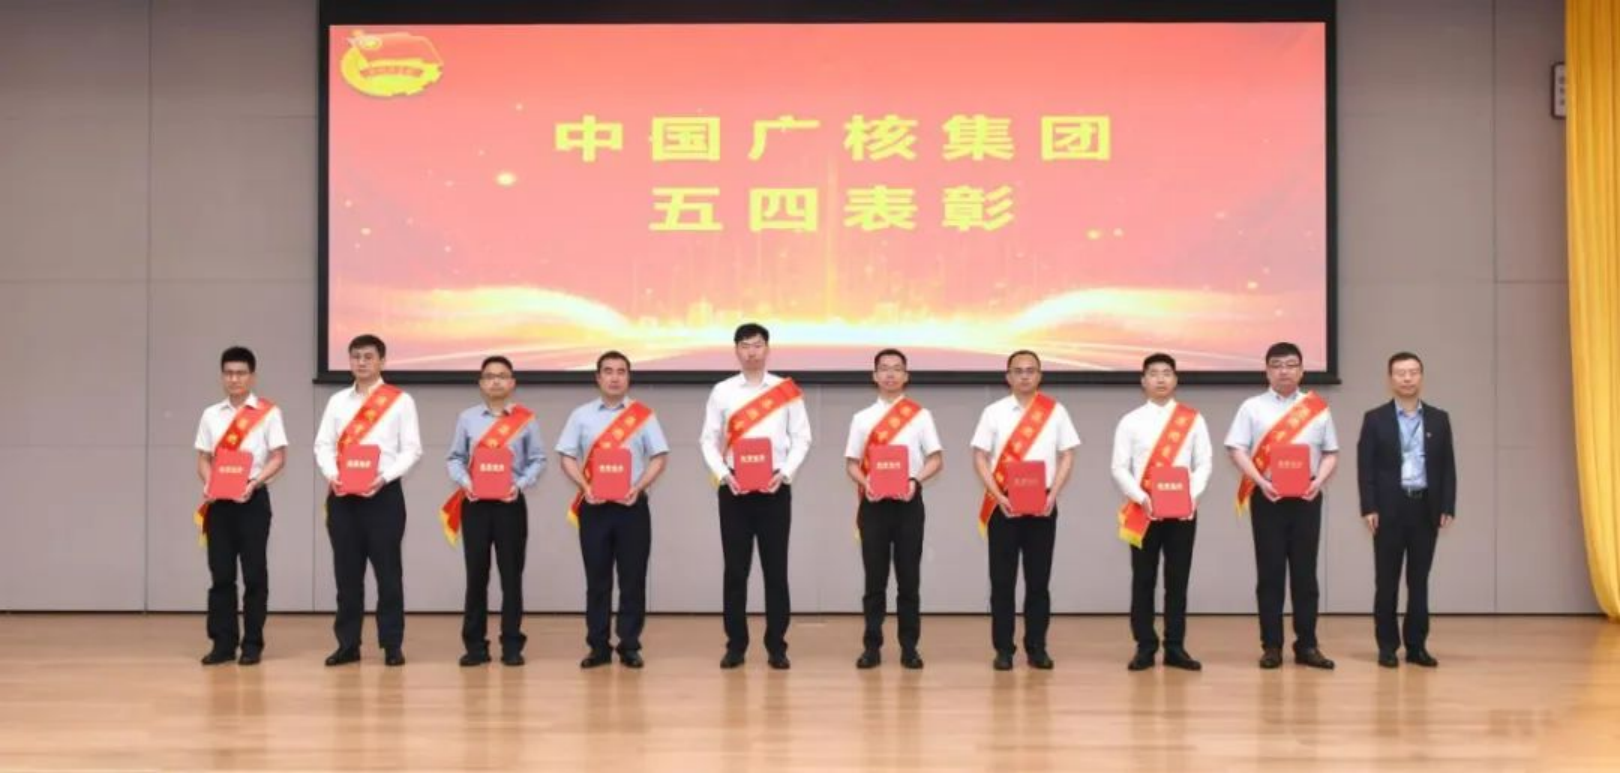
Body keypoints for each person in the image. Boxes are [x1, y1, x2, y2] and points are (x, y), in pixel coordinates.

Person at [699, 323, 811, 670]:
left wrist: (785, 473)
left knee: (776, 570)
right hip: (734, 490)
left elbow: (802, 438)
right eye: (745, 345)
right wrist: (724, 475)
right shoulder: (722, 391)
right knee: (735, 571)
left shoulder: (785, 391)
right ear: (736, 350)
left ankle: (777, 646)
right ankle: (736, 645)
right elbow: (708, 440)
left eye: (758, 345)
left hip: (775, 489)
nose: (752, 351)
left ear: (768, 349)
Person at [1224, 342, 1338, 670]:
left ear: (1302, 370)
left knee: (1305, 575)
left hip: (1307, 498)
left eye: (1290, 365)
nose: (1284, 371)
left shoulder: (1317, 408)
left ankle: (1307, 645)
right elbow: (1236, 449)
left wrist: (1318, 482)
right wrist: (1260, 481)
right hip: (1268, 497)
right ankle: (1271, 645)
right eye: (1276, 365)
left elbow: (1331, 453)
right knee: (1270, 573)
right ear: (1267, 371)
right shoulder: (1252, 407)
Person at [314, 334, 423, 667]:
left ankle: (392, 645)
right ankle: (348, 644)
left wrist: (384, 477)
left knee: (388, 575)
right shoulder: (337, 402)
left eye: (368, 357)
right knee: (347, 576)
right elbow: (323, 445)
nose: (361, 362)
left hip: (383, 496)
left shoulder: (400, 401)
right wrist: (333, 474)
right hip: (343, 495)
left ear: (382, 361)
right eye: (355, 357)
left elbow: (412, 449)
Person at [557, 351, 670, 669]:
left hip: (632, 507)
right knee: (597, 580)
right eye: (608, 371)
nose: (615, 377)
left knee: (633, 579)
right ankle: (598, 646)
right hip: (594, 507)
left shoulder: (643, 415)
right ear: (598, 377)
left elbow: (659, 456)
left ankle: (629, 645)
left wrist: (639, 487)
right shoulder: (581, 415)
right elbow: (566, 456)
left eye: (621, 371)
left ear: (628, 378)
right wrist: (585, 486)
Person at [970, 350, 1080, 671]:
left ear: (1039, 376)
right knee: (1002, 582)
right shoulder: (993, 412)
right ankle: (1003, 649)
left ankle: (1037, 647)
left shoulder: (1055, 411)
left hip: (1043, 504)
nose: (1024, 376)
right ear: (1008, 377)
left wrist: (1053, 495)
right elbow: (980, 457)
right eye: (1018, 371)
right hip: (1003, 504)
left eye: (1031, 370)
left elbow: (1067, 455)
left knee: (1038, 582)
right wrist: (997, 496)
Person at [1109, 353, 1212, 671]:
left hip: (1183, 513)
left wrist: (1190, 498)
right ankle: (1144, 645)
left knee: (1177, 580)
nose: (1161, 379)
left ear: (1176, 379)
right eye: (1153, 373)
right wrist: (1141, 498)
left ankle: (1175, 647)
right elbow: (1119, 467)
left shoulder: (1192, 419)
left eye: (1167, 373)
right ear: (1143, 381)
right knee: (1143, 579)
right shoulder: (1130, 421)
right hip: (1143, 512)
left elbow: (1204, 462)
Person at [843, 348, 943, 670]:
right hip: (873, 506)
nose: (890, 374)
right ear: (874, 376)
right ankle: (871, 647)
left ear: (906, 375)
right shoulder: (861, 418)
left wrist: (915, 480)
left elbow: (936, 459)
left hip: (908, 504)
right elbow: (852, 463)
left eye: (896, 368)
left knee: (908, 580)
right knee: (875, 581)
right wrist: (866, 482)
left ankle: (909, 647)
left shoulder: (920, 415)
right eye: (884, 368)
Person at [444, 355, 546, 667]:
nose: (496, 381)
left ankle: (512, 644)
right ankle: (475, 646)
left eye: (502, 376)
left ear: (512, 383)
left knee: (511, 576)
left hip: (510, 505)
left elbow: (538, 459)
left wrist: (520, 484)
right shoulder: (467, 418)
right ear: (481, 383)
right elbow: (455, 458)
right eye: (489, 376)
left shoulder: (526, 419)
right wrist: (467, 483)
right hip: (475, 505)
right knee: (476, 575)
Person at [1357, 351, 1456, 668]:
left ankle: (1417, 646)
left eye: (1413, 372)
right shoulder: (1375, 418)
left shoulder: (1439, 418)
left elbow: (1448, 466)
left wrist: (1447, 504)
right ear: (1390, 379)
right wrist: (1369, 506)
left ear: (1421, 376)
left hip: (1425, 507)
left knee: (1419, 580)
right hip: (1388, 509)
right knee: (1386, 581)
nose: (1407, 378)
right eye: (1401, 373)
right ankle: (1387, 646)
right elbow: (1365, 467)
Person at [194, 345, 287, 666]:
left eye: (241, 373)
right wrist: (210, 483)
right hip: (220, 502)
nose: (234, 379)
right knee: (221, 575)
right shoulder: (210, 414)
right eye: (229, 373)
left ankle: (252, 643)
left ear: (252, 376)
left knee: (254, 575)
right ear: (222, 376)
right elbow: (203, 458)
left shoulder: (268, 413)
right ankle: (222, 643)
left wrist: (254, 482)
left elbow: (278, 457)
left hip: (252, 500)